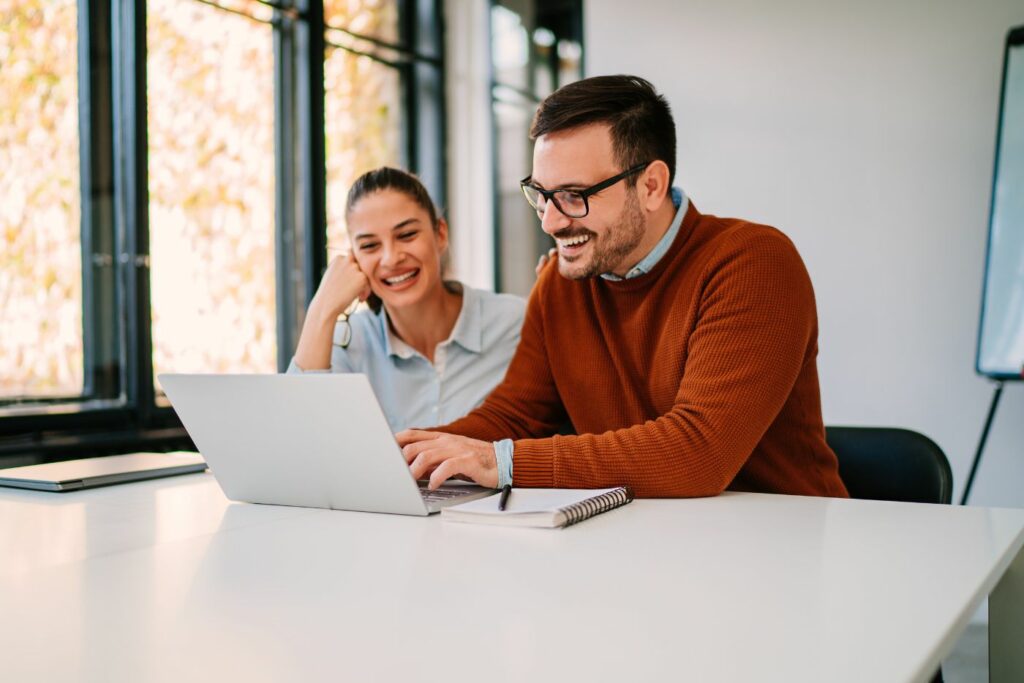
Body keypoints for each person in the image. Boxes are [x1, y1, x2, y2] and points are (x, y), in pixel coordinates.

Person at [398, 75, 849, 499]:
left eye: (575, 195)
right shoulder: (561, 281)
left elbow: (699, 451)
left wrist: (501, 461)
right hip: (643, 546)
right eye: (541, 194)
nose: (552, 221)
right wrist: (412, 456)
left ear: (651, 185)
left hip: (785, 549)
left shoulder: (752, 262)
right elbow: (516, 416)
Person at [288, 167, 525, 432]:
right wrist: (322, 308)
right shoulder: (348, 343)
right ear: (354, 258)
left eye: (407, 235)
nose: (391, 258)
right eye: (369, 246)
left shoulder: (516, 323)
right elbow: (297, 437)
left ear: (440, 234)